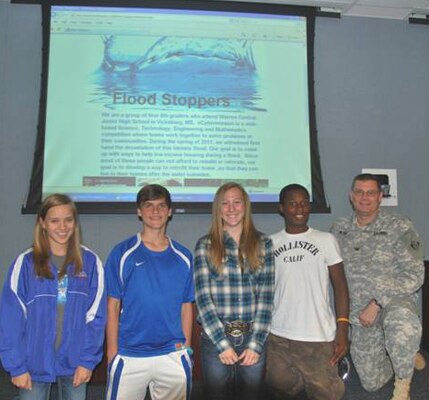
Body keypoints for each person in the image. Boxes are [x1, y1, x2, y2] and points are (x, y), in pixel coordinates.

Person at [0, 194, 106, 400]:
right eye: (54, 220)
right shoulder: (25, 264)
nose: (62, 227)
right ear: (43, 223)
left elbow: (96, 318)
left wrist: (87, 361)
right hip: (33, 365)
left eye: (68, 219)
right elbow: (11, 319)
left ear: (75, 223)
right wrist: (16, 366)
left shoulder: (91, 263)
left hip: (75, 363)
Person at [331, 173, 424, 400]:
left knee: (402, 326)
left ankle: (403, 387)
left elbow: (416, 274)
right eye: (359, 192)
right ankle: (404, 354)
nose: (365, 197)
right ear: (351, 196)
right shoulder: (339, 229)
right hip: (358, 314)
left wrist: (377, 302)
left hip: (394, 303)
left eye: (371, 192)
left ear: (380, 197)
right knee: (370, 384)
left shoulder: (401, 225)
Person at [105, 184, 194, 400]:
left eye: (161, 206)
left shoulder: (183, 256)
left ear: (170, 211)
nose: (155, 212)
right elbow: (113, 306)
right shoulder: (122, 253)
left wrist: (187, 350)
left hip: (172, 353)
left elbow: (186, 307)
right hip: (129, 354)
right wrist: (112, 354)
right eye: (149, 206)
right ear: (139, 211)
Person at [265, 184, 349, 400]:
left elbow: (340, 286)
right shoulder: (269, 243)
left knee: (329, 394)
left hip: (317, 335)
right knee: (278, 384)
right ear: (282, 208)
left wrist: (342, 330)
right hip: (279, 335)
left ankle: (325, 377)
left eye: (304, 202)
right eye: (292, 203)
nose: (299, 208)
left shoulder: (325, 240)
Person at [194, 182, 275, 400]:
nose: (231, 209)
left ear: (245, 206)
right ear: (217, 209)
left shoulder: (264, 243)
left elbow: (266, 298)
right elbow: (203, 298)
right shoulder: (206, 245)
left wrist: (256, 344)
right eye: (225, 203)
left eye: (236, 202)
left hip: (252, 338)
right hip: (215, 340)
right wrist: (223, 344)